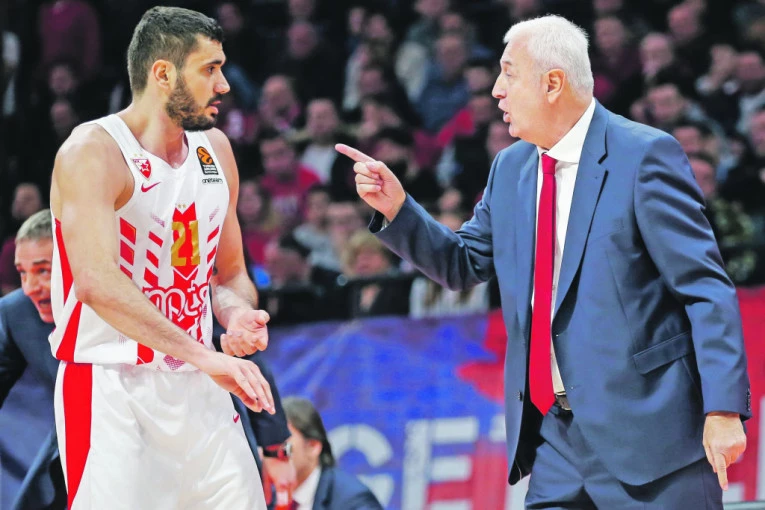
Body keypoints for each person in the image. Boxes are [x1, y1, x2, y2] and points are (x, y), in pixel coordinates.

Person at [337, 15, 749, 509]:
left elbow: (704, 287)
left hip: (651, 435)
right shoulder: (510, 168)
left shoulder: (643, 155)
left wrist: (723, 408)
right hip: (557, 443)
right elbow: (461, 264)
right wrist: (399, 210)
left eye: (508, 74)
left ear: (553, 83)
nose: (496, 90)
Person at [48, 7, 277, 509]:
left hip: (199, 383)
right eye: (209, 69)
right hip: (110, 384)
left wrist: (236, 313)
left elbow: (229, 273)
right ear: (163, 73)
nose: (223, 85)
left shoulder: (215, 151)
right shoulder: (93, 151)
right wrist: (204, 354)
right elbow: (96, 283)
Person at [0, 210, 66, 509]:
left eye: (43, 271)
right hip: (64, 453)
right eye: (22, 273)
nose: (29, 287)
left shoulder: (122, 307)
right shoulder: (17, 312)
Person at [282, 397, 383, 510]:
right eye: (269, 445)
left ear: (312, 447)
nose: (273, 454)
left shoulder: (354, 502)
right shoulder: (271, 496)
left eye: (284, 446)